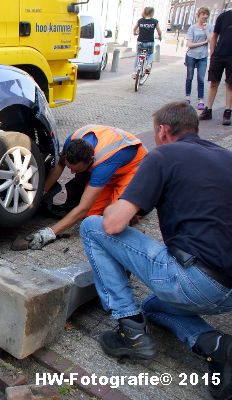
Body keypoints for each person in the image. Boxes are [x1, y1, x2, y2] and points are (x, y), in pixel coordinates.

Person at [79, 102, 232, 400]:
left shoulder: (164, 155)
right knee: (154, 306)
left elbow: (114, 224)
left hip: (198, 282)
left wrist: (117, 208)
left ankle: (131, 331)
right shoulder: (226, 157)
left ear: (162, 131)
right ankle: (217, 346)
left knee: (93, 227)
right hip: (229, 291)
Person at [19, 125, 147, 250]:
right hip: (110, 169)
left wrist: (49, 233)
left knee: (115, 220)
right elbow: (59, 166)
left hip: (133, 168)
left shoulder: (102, 164)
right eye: (70, 168)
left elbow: (83, 207)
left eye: (76, 170)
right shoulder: (72, 142)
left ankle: (138, 206)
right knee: (91, 218)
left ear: (91, 160)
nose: (73, 173)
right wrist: (41, 193)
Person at [199, 5, 232, 125]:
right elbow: (214, 36)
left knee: (230, 84)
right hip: (219, 55)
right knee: (213, 83)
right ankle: (208, 110)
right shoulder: (223, 16)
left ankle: (227, 111)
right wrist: (212, 54)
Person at [185, 7, 212, 110]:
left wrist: (205, 30)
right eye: (203, 14)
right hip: (191, 55)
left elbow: (210, 40)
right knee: (189, 77)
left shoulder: (209, 27)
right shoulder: (192, 28)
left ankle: (200, 100)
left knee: (201, 78)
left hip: (203, 56)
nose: (205, 16)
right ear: (199, 15)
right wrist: (202, 43)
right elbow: (189, 44)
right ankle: (187, 98)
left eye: (207, 14)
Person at [132, 7, 162, 78]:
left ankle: (135, 72)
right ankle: (148, 65)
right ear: (152, 13)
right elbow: (159, 32)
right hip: (150, 42)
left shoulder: (140, 21)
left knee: (138, 55)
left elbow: (134, 29)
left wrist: (135, 33)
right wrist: (160, 37)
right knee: (151, 54)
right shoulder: (155, 21)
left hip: (140, 42)